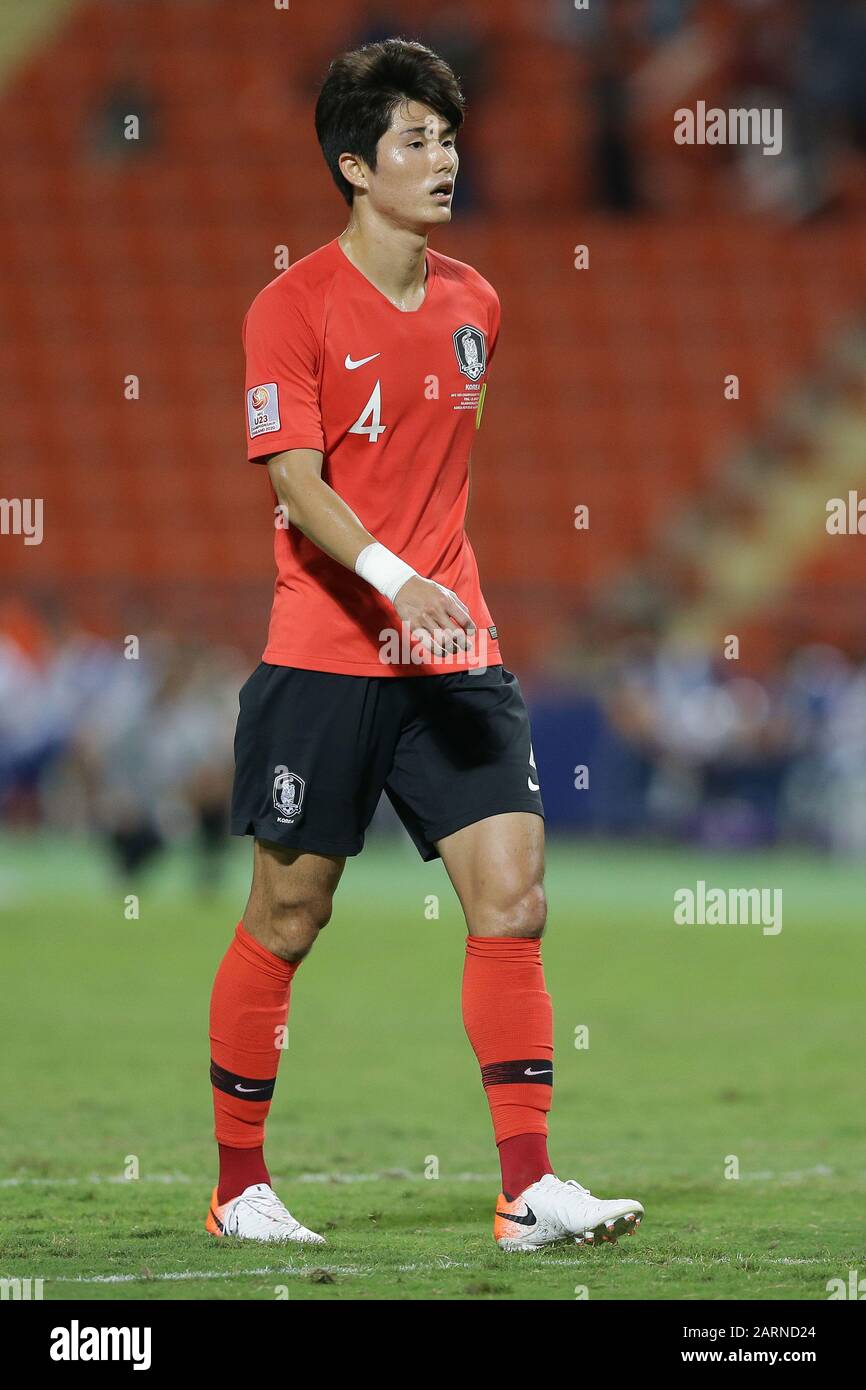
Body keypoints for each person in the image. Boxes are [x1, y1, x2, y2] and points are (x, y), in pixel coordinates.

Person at [206, 37, 644, 1252]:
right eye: (414, 140)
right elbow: (298, 483)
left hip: (453, 653)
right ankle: (238, 1181)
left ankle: (526, 1189)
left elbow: (425, 479)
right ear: (354, 164)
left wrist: (433, 588)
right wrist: (395, 579)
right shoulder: (286, 308)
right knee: (288, 916)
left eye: (447, 137)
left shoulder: (474, 303)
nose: (442, 159)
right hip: (326, 655)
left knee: (513, 898)